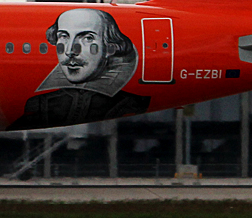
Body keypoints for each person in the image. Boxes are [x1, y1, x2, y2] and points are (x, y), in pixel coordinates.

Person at [13, 8, 150, 128]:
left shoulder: (131, 104)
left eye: (87, 38)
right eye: (64, 37)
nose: (70, 50)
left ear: (110, 48)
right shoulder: (38, 104)